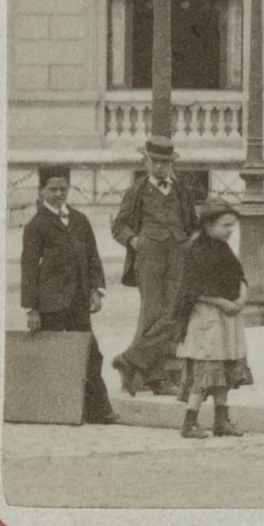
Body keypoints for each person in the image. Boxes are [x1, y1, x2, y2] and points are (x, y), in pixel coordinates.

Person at [21, 164, 117, 425]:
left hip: (79, 302)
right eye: (53, 189)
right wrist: (31, 308)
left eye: (63, 189)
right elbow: (29, 269)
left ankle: (99, 410)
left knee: (91, 354)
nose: (58, 194)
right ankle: (51, 409)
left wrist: (96, 290)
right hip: (50, 305)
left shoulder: (80, 220)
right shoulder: (36, 225)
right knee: (53, 356)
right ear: (41, 191)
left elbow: (92, 256)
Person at [109, 134, 196, 397]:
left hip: (178, 257)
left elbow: (192, 223)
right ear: (146, 161)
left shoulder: (181, 190)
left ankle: (130, 361)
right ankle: (156, 378)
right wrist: (135, 241)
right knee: (152, 315)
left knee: (174, 314)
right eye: (154, 161)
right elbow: (118, 226)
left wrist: (190, 241)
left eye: (164, 162)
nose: (159, 166)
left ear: (171, 163)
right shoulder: (137, 190)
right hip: (149, 259)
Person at [170, 200, 249, 439]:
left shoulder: (224, 249)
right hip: (207, 319)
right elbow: (193, 289)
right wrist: (222, 302)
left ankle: (221, 420)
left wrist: (242, 296)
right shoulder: (197, 251)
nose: (230, 230)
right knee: (205, 371)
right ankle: (189, 422)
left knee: (223, 369)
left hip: (227, 320)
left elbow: (238, 276)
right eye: (225, 225)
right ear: (208, 225)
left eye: (232, 225)